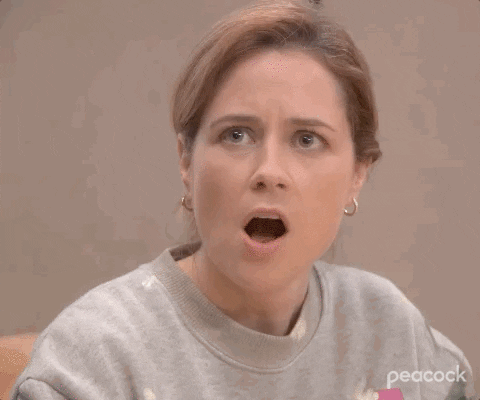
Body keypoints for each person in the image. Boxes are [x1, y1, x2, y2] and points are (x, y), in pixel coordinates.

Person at [10, 0, 477, 399]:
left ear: (358, 174)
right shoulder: (94, 360)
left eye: (307, 139)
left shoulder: (389, 331)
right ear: (186, 160)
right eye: (236, 134)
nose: (269, 172)